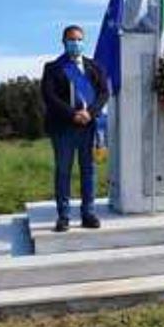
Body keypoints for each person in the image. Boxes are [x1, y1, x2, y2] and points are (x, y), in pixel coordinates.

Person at [41, 25, 110, 232]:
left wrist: (90, 113)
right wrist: (73, 114)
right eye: (71, 40)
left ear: (83, 42)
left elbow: (103, 93)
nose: (76, 43)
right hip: (63, 128)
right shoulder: (53, 68)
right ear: (64, 42)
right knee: (63, 171)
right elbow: (49, 96)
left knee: (88, 170)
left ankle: (88, 213)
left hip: (89, 127)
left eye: (79, 39)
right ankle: (63, 216)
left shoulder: (95, 67)